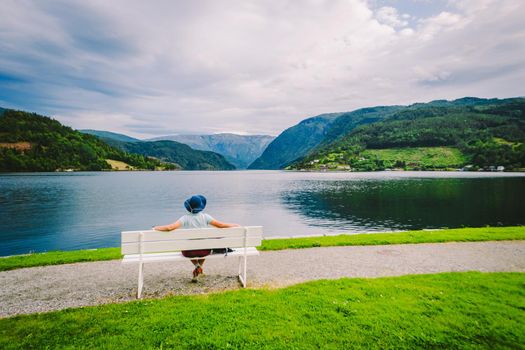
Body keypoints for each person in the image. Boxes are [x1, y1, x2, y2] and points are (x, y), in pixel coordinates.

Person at [153, 194, 239, 282]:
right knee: (205, 245)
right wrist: (235, 225)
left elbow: (169, 228)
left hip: (189, 252)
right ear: (200, 207)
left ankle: (197, 266)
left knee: (189, 247)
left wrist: (156, 227)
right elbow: (221, 225)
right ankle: (200, 266)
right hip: (204, 251)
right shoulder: (206, 217)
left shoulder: (184, 218)